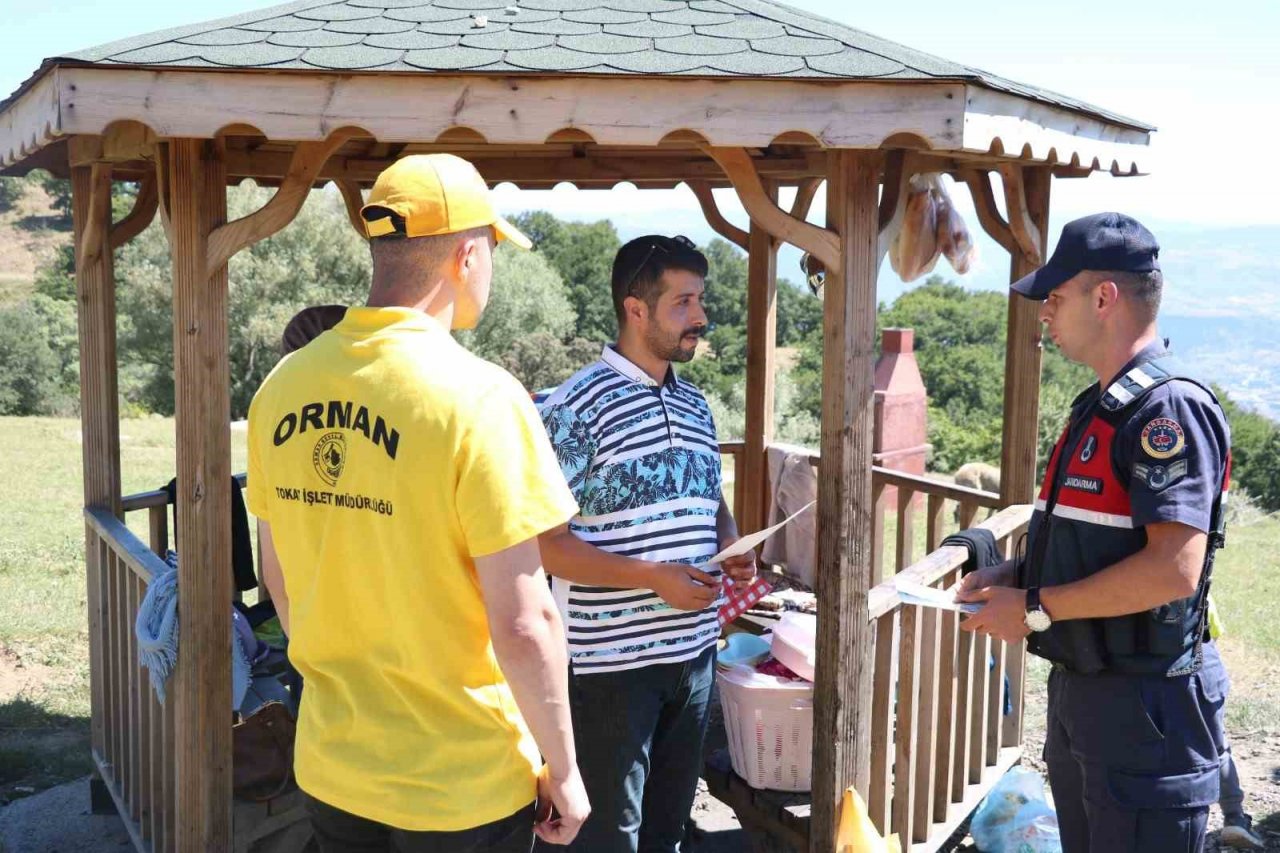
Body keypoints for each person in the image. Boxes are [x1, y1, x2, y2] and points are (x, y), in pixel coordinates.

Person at [246, 154, 589, 852]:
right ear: (466, 256)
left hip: (335, 766)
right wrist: (565, 768)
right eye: (492, 251)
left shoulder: (282, 386)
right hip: (461, 784)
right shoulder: (482, 399)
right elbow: (525, 621)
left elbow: (275, 573)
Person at [956, 213, 1232, 852]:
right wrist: (1015, 576)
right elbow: (1099, 540)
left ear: (1104, 298)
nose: (1044, 312)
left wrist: (1033, 607)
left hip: (1148, 704)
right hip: (1089, 691)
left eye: (1055, 296)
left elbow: (1173, 570)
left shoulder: (1167, 409)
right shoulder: (1102, 405)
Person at [536, 235, 757, 853]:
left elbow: (708, 497)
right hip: (608, 670)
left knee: (667, 833)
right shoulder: (574, 409)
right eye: (683, 302)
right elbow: (544, 544)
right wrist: (653, 577)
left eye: (700, 299)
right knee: (608, 839)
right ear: (636, 309)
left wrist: (731, 539)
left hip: (695, 657)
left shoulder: (696, 404)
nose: (700, 316)